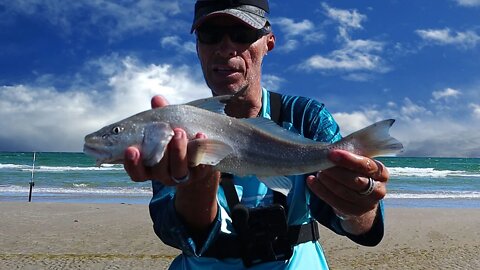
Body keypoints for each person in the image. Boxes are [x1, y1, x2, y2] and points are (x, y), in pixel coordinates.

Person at [124, 0, 389, 269]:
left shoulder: (305, 116)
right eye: (210, 35)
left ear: (268, 43)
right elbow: (173, 232)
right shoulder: (178, 129)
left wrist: (359, 205)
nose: (225, 48)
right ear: (198, 47)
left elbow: (356, 226)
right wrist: (197, 186)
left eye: (243, 34)